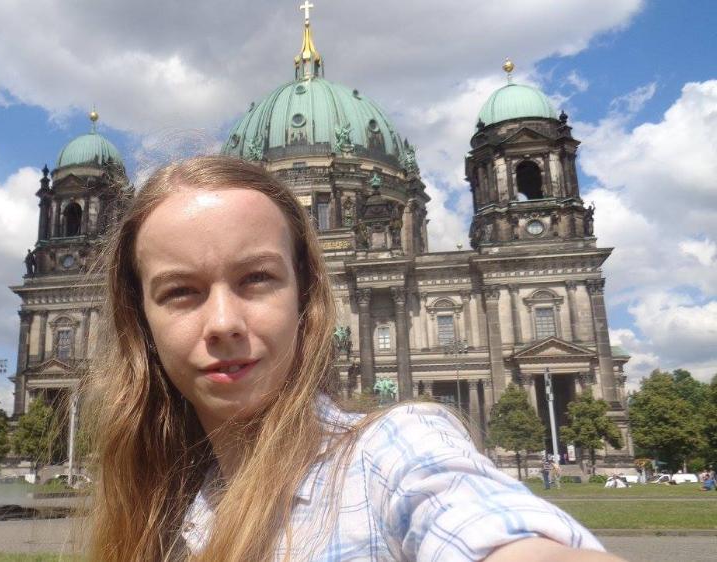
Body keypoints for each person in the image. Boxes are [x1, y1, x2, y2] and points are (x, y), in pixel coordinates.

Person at [83, 156, 623, 561]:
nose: (224, 323)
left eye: (257, 278)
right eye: (180, 290)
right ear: (139, 321)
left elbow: (473, 518)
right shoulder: (164, 499)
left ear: (307, 297)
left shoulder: (393, 451)